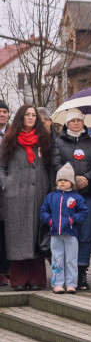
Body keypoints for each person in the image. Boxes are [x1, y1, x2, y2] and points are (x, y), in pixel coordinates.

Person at [51, 108, 91, 290]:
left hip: (88, 194)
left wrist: (86, 178)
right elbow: (56, 163)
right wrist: (72, 179)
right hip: (65, 196)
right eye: (72, 120)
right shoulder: (58, 142)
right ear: (67, 123)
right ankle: (64, 274)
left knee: (86, 234)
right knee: (65, 233)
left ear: (83, 122)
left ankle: (81, 273)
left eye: (78, 120)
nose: (76, 123)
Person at [1, 105, 53, 290]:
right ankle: (20, 280)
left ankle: (37, 280)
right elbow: (1, 167)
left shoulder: (44, 140)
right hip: (15, 196)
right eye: (27, 115)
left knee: (36, 237)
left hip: (39, 193)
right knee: (18, 238)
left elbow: (49, 166)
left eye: (33, 115)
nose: (30, 118)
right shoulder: (9, 139)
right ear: (20, 118)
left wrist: (48, 187)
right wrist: (7, 184)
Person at [41, 163, 88, 293]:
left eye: (66, 180)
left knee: (71, 259)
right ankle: (57, 283)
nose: (62, 182)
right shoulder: (51, 197)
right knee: (57, 259)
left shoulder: (77, 197)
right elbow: (43, 212)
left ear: (72, 182)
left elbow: (84, 212)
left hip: (71, 234)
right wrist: (50, 221)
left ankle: (71, 284)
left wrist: (72, 220)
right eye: (60, 180)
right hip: (55, 234)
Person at [0, 100, 8, 287]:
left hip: (8, 189)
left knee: (6, 232)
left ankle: (5, 270)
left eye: (4, 111)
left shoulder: (13, 135)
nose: (2, 115)